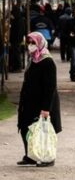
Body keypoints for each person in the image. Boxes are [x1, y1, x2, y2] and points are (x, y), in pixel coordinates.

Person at [17, 32, 62, 167]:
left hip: (42, 102)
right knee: (27, 128)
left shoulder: (47, 61)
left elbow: (50, 87)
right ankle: (31, 155)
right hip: (30, 102)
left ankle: (47, 158)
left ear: (40, 43)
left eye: (33, 43)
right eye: (29, 43)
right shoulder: (33, 59)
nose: (30, 46)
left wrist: (46, 108)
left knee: (43, 130)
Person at [9, 5, 25, 72]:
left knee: (16, 53)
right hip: (17, 39)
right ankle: (15, 67)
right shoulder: (19, 19)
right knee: (15, 53)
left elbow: (16, 31)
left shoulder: (18, 20)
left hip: (16, 39)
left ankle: (18, 67)